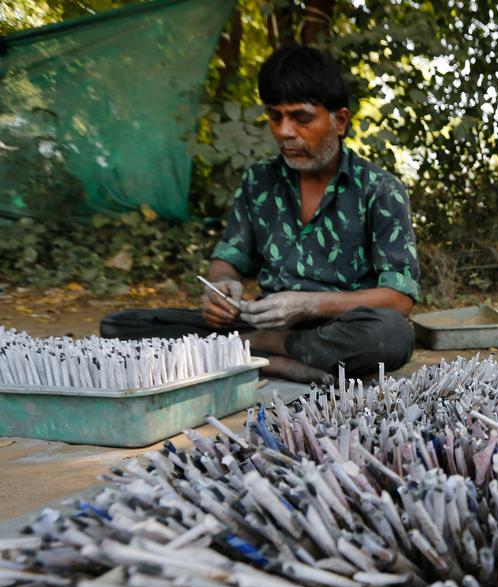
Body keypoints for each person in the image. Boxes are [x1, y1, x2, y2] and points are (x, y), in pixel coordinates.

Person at [101, 45, 419, 383]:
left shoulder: (379, 189)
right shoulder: (259, 181)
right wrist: (221, 288)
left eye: (301, 118)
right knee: (120, 326)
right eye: (275, 116)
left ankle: (257, 350)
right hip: (260, 321)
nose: (284, 131)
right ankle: (273, 361)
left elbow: (399, 298)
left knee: (392, 336)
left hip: (338, 328)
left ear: (339, 121)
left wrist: (308, 304)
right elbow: (229, 260)